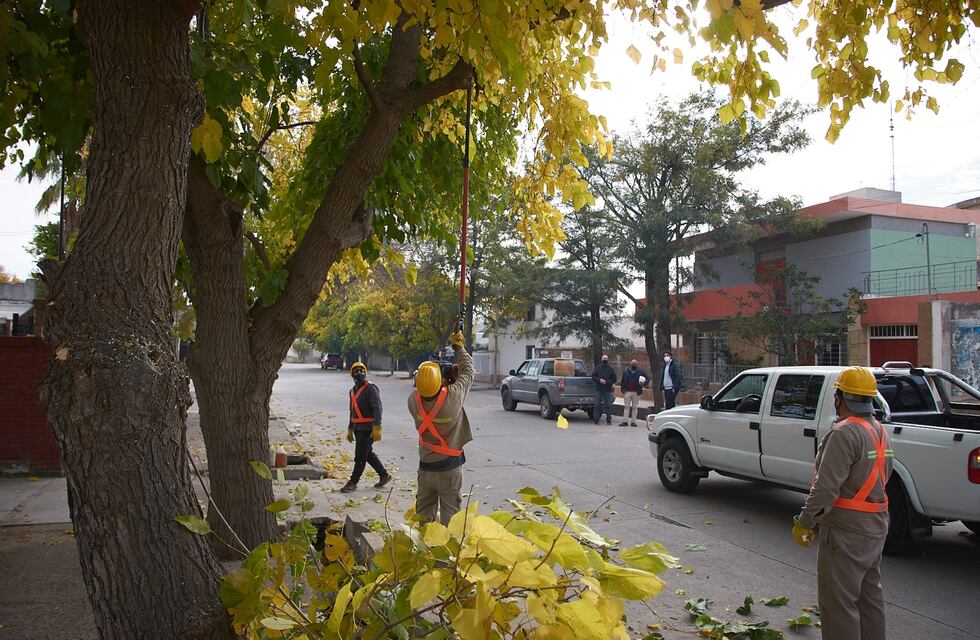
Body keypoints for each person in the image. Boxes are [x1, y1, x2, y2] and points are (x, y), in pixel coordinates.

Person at [793, 366, 893, 640]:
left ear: (840, 398)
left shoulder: (843, 433)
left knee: (839, 604)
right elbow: (886, 474)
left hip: (846, 531)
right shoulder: (879, 430)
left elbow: (825, 488)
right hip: (876, 526)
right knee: (869, 599)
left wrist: (805, 520)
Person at [409, 330, 473, 525]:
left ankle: (422, 551)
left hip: (425, 469)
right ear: (440, 381)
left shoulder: (413, 401)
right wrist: (459, 348)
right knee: (450, 518)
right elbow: (468, 371)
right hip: (449, 470)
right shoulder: (452, 399)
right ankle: (446, 554)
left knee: (424, 516)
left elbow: (428, 391)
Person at [340, 362, 392, 493]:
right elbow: (352, 411)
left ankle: (353, 481)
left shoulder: (371, 388)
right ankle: (384, 475)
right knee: (367, 454)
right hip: (358, 428)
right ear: (352, 374)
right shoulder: (352, 391)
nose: (359, 373)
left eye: (361, 370)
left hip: (369, 428)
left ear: (365, 372)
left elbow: (377, 407)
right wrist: (350, 428)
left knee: (360, 456)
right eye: (356, 371)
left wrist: (377, 426)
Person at [619, 359, 648, 427]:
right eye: (632, 364)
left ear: (637, 365)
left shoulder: (640, 371)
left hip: (636, 392)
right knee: (626, 407)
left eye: (635, 364)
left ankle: (633, 422)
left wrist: (644, 383)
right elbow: (622, 381)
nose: (634, 365)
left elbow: (648, 378)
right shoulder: (626, 371)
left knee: (635, 407)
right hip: (627, 391)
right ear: (630, 364)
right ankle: (625, 421)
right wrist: (623, 390)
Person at [591, 354, 617, 425]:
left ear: (608, 360)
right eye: (603, 358)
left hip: (607, 390)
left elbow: (614, 379)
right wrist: (599, 380)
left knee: (608, 405)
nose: (604, 360)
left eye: (606, 358)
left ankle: (609, 420)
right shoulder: (597, 368)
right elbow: (593, 376)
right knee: (597, 405)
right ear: (601, 360)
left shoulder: (611, 369)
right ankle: (596, 419)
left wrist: (607, 382)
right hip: (599, 389)